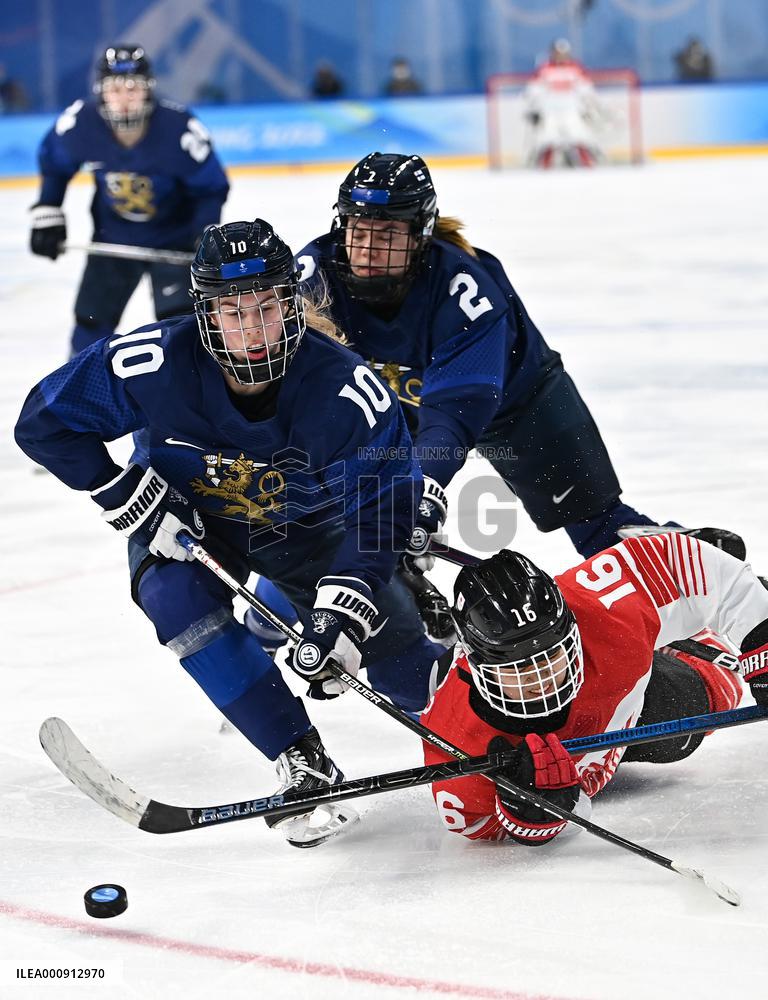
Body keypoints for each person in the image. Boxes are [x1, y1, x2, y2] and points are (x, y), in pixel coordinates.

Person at [15, 218, 445, 848]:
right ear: (205, 314)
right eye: (232, 310)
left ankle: (481, 685)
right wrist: (121, 492)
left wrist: (346, 605)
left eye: (267, 306)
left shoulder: (346, 387)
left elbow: (386, 506)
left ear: (291, 305)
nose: (251, 328)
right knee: (173, 598)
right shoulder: (152, 362)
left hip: (307, 530)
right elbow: (43, 423)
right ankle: (300, 756)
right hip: (189, 522)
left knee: (412, 681)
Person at [294, 151, 742, 568]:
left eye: (388, 233)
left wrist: (422, 489)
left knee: (594, 524)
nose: (369, 248)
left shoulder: (466, 288)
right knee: (355, 527)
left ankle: (692, 568)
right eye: (358, 229)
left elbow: (455, 414)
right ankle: (414, 614)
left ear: (421, 234)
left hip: (520, 404)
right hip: (396, 409)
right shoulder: (314, 277)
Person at [421, 533, 768, 843]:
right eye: (519, 667)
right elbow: (473, 825)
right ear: (478, 664)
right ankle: (668, 617)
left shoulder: (599, 606)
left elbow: (712, 571)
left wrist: (761, 641)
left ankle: (674, 616)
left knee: (709, 699)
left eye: (550, 655)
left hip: (618, 684)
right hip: (605, 707)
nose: (540, 678)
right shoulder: (455, 737)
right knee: (676, 741)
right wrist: (530, 816)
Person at [29, 45, 229, 356]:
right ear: (101, 91)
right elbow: (55, 163)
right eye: (115, 88)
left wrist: (204, 230)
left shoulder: (179, 129)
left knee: (183, 329)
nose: (124, 98)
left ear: (148, 90)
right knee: (91, 322)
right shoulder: (81, 123)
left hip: (175, 242)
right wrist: (48, 208)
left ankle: (188, 397)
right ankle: (80, 394)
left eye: (133, 87)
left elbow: (210, 187)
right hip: (114, 239)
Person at [522, 39, 605, 168]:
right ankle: (545, 165)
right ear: (552, 52)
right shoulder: (544, 69)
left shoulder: (575, 68)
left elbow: (585, 88)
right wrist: (534, 109)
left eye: (563, 52)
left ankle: (586, 163)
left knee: (579, 135)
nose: (560, 56)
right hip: (550, 110)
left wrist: (589, 104)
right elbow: (533, 90)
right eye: (557, 52)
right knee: (548, 137)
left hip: (571, 109)